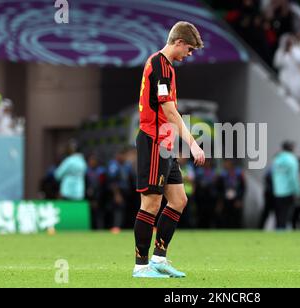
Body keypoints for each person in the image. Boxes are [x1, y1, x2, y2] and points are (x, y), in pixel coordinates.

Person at [133, 21, 205, 278]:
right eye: (189, 49)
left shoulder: (167, 68)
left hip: (165, 143)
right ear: (178, 42)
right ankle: (141, 266)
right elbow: (168, 110)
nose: (190, 54)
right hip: (153, 140)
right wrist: (193, 143)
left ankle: (159, 259)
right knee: (150, 203)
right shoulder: (160, 66)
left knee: (178, 200)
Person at [271, 141, 300, 230]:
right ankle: (282, 233)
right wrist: (298, 191)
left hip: (277, 191)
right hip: (288, 191)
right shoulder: (292, 159)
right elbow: (294, 177)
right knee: (286, 215)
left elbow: (274, 175)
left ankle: (278, 232)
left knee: (278, 215)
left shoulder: (277, 159)